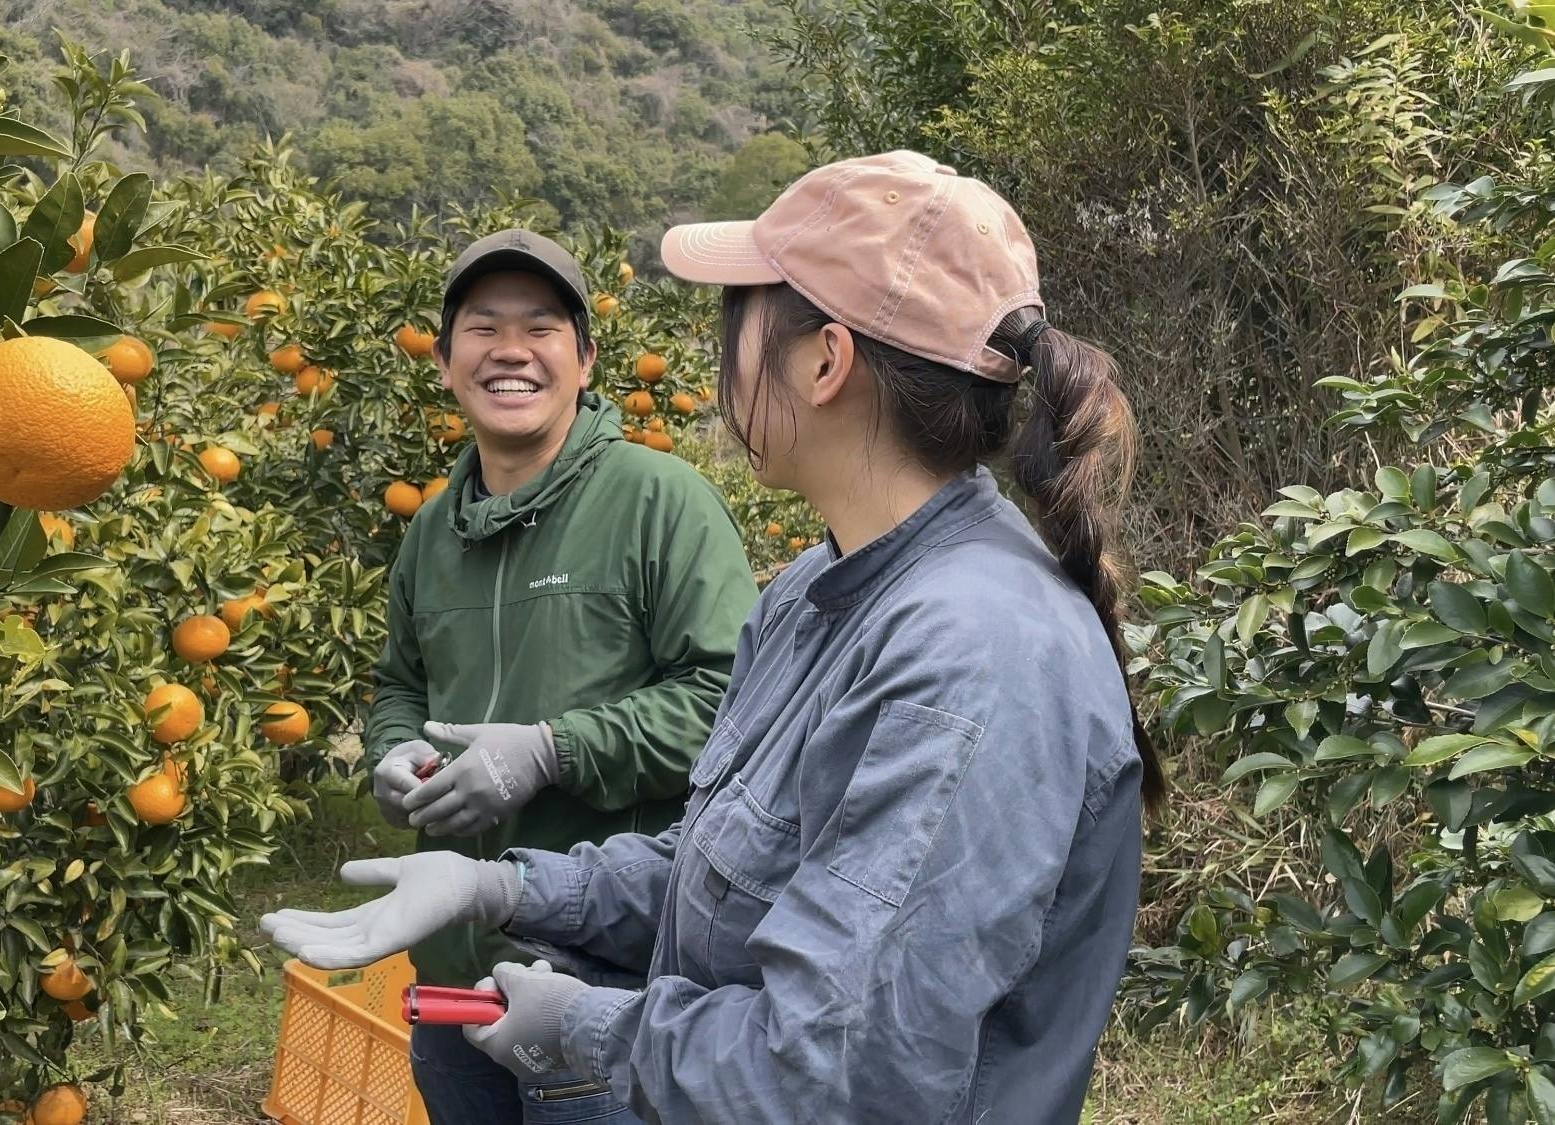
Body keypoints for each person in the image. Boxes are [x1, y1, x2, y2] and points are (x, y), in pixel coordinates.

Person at [266, 151, 1164, 1123]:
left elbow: (841, 1070)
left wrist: (590, 1028)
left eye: (737, 317)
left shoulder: (968, 655)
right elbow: (718, 872)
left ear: (824, 362)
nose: (718, 351)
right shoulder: (816, 593)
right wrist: (502, 887)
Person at [357, 228, 758, 1123]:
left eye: (539, 327)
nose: (510, 350)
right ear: (444, 361)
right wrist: (392, 751)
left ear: (585, 359)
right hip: (452, 978)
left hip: (606, 984)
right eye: (482, 327)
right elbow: (401, 685)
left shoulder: (659, 500)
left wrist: (551, 750)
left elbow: (731, 703)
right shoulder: (430, 532)